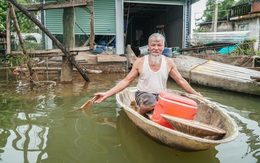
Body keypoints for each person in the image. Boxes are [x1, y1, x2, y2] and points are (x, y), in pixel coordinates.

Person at [94, 33, 202, 116]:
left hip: (161, 95)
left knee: (179, 105)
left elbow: (181, 81)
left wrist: (195, 94)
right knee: (151, 103)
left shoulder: (169, 62)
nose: (156, 48)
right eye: (153, 45)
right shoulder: (140, 62)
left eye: (159, 45)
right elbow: (126, 81)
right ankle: (139, 114)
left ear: (163, 47)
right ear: (148, 47)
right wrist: (107, 94)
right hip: (143, 94)